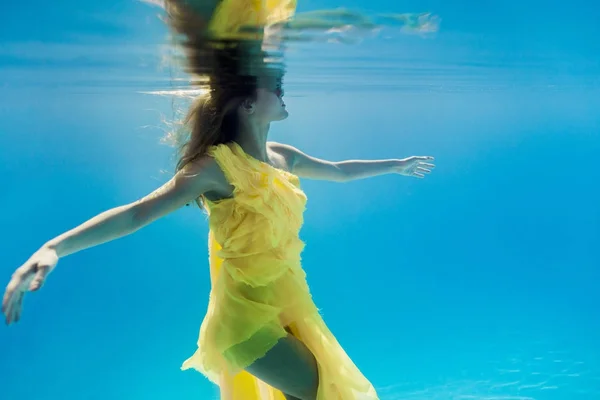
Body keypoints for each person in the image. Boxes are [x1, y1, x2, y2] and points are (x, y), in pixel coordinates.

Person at [2, 1, 435, 399]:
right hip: (244, 323)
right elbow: (136, 214)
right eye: (273, 84)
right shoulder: (215, 168)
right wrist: (54, 247)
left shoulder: (282, 156)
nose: (282, 86)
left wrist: (395, 164)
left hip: (287, 301)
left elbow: (339, 170)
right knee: (325, 393)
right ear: (246, 104)